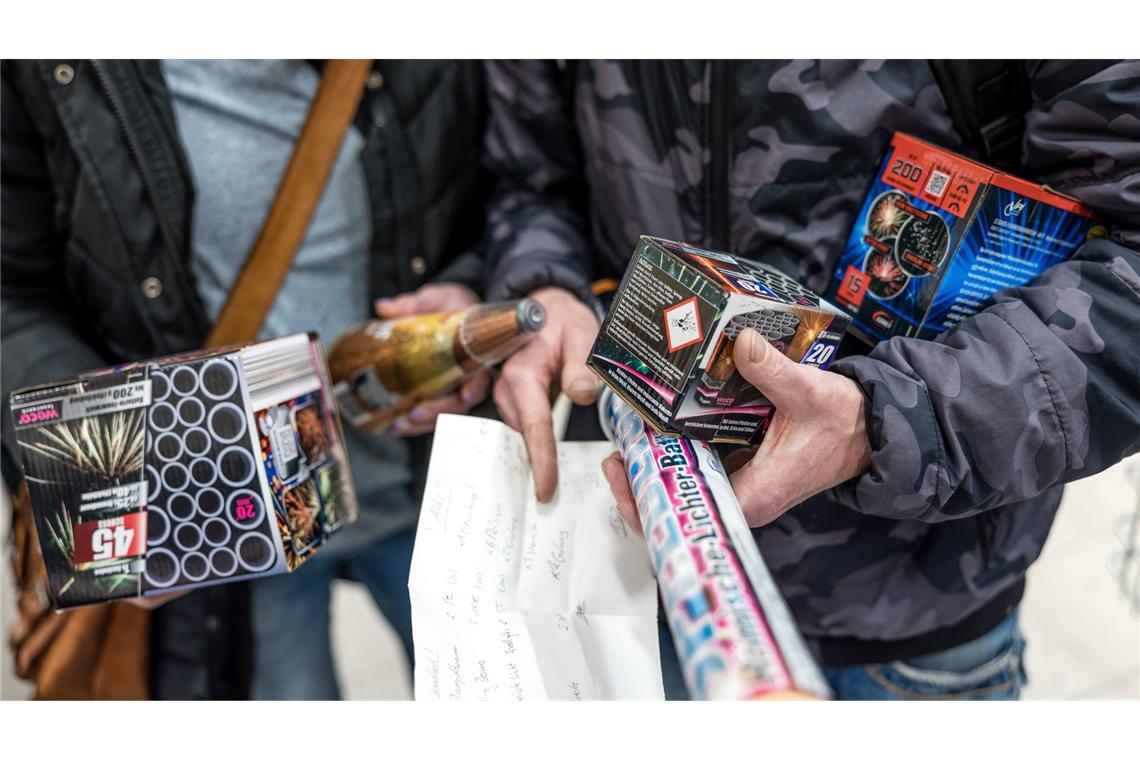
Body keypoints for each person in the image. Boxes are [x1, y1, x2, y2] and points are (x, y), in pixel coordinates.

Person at [482, 60, 1140, 700]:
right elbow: (530, 177)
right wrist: (546, 289)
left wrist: (885, 422)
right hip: (651, 586)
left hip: (914, 610)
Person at [1, 59, 488, 699]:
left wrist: (478, 289)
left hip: (432, 474)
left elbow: (526, 172)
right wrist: (101, 468)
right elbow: (14, 288)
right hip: (221, 518)